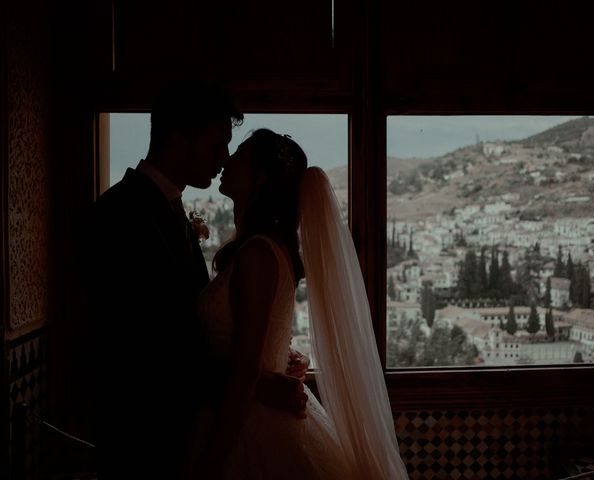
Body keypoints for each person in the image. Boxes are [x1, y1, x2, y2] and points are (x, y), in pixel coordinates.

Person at [85, 82, 309, 480]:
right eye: (216, 145)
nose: (224, 158)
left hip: (184, 435)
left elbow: (192, 327)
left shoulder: (171, 211)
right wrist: (257, 381)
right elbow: (148, 349)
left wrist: (264, 356)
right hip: (143, 439)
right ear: (178, 138)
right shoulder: (121, 214)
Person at [190, 128, 409, 479]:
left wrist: (210, 464)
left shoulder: (258, 253)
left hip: (248, 424)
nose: (228, 159)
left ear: (260, 178)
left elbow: (246, 371)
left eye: (241, 155)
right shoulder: (263, 249)